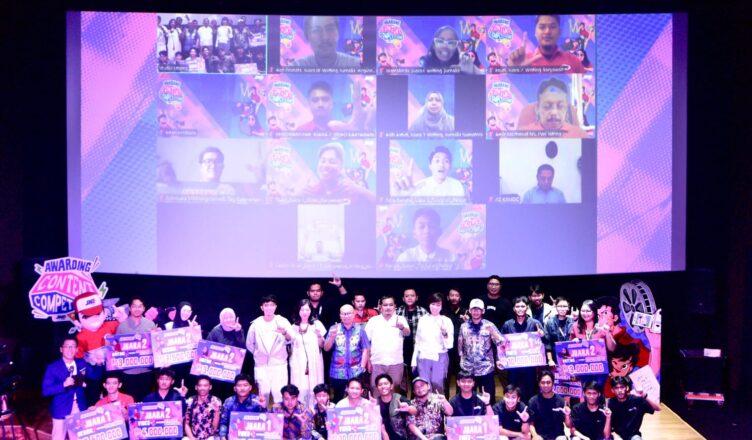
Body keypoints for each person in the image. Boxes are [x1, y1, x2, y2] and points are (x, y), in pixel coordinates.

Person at [42, 337, 93, 440]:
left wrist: (99, 363)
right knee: (58, 437)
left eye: (73, 346)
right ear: (61, 349)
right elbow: (46, 390)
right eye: (67, 346)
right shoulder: (53, 367)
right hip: (60, 408)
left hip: (79, 406)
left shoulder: (81, 363)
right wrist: (63, 384)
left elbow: (95, 376)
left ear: (77, 349)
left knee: (78, 438)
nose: (70, 349)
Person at [457, 298, 505, 405]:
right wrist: (461, 361)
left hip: (486, 368)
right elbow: (460, 345)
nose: (476, 312)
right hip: (468, 369)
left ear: (483, 311)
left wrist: (493, 332)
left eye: (478, 309)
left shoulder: (489, 325)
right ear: (470, 310)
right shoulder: (463, 326)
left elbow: (501, 343)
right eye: (473, 309)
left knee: (488, 399)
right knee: (469, 399)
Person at [246, 295, 292, 404]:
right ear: (262, 307)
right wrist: (259, 354)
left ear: (275, 307)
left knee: (279, 395)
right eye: (266, 305)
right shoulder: (256, 324)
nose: (269, 308)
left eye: (272, 305)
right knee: (262, 396)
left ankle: (281, 415)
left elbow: (291, 339)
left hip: (279, 365)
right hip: (261, 366)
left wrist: (284, 333)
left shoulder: (283, 321)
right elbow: (249, 343)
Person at [500, 296, 545, 401]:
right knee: (513, 390)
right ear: (514, 308)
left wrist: (542, 335)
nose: (520, 309)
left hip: (530, 366)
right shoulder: (507, 324)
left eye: (522, 306)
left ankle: (531, 409)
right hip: (513, 366)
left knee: (531, 391)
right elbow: (501, 344)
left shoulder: (535, 323)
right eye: (517, 306)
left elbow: (544, 342)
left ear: (526, 308)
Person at [302, 142, 377, 204]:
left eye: (332, 162)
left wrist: (360, 190)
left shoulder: (350, 191)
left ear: (341, 167)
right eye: (323, 161)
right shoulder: (311, 191)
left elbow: (379, 202)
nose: (325, 165)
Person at [506, 15, 586, 73]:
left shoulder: (574, 61)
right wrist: (515, 70)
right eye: (542, 27)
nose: (547, 31)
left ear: (559, 32)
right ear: (535, 32)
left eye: (552, 27)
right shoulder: (523, 60)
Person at [364, 295, 411, 394]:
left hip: (396, 362)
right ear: (380, 306)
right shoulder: (373, 321)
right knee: (376, 389)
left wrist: (402, 327)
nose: (388, 307)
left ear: (395, 306)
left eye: (390, 305)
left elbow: (407, 333)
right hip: (376, 362)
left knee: (394, 390)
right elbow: (366, 343)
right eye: (385, 305)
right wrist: (368, 361)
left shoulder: (400, 319)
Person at [324, 304, 371, 401]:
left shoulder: (360, 329)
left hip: (356, 371)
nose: (346, 316)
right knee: (338, 398)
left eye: (348, 313)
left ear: (354, 314)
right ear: (340, 315)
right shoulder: (334, 328)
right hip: (337, 372)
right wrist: (332, 337)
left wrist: (362, 367)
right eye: (343, 314)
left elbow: (365, 349)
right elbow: (326, 348)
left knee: (356, 398)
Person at [518, 78, 589, 138]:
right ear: (537, 109)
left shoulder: (579, 135)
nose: (554, 112)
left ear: (566, 109)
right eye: (547, 106)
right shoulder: (523, 135)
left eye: (560, 106)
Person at [412, 293, 454, 393]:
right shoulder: (422, 320)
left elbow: (450, 345)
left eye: (438, 305)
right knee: (424, 385)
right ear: (429, 304)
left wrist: (444, 333)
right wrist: (414, 362)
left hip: (439, 357)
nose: (435, 307)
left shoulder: (446, 321)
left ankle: (438, 403)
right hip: (423, 357)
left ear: (442, 306)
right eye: (433, 304)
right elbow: (417, 342)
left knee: (437, 385)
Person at [117, 296, 157, 400]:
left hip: (146, 370)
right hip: (129, 371)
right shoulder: (122, 326)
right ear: (130, 308)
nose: (137, 309)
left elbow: (156, 346)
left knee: (146, 401)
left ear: (144, 308)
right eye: (134, 306)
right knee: (131, 401)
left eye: (140, 306)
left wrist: (157, 336)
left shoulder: (150, 324)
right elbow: (117, 348)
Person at [289, 299, 327, 406]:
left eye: (307, 310)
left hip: (314, 360)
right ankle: (300, 408)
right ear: (298, 311)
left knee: (315, 383)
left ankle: (315, 409)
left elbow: (322, 345)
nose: (305, 312)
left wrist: (319, 336)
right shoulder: (293, 327)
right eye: (302, 310)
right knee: (300, 385)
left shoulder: (317, 324)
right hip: (298, 361)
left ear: (311, 311)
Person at [297, 81, 375, 133]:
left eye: (325, 99)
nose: (320, 104)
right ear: (309, 105)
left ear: (332, 104)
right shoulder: (300, 131)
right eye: (315, 100)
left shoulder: (346, 128)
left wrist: (361, 134)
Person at [395, 146, 467, 198]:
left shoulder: (457, 186)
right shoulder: (419, 187)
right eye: (437, 161)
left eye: (446, 161)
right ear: (430, 166)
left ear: (450, 166)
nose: (441, 164)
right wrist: (403, 198)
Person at [291, 16, 360, 68]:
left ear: (338, 32)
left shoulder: (356, 65)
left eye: (330, 29)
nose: (325, 37)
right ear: (307, 36)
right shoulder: (295, 67)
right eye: (317, 30)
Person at [607, 376, 660, 440]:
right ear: (612, 390)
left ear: (626, 388)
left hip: (633, 436)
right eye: (616, 388)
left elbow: (657, 408)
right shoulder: (610, 403)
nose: (620, 390)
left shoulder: (637, 400)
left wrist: (645, 395)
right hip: (616, 436)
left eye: (622, 387)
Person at [219, 374, 267, 440]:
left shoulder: (257, 401)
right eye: (239, 385)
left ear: (250, 387)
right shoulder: (229, 401)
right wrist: (223, 437)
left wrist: (264, 407)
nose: (242, 388)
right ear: (235, 388)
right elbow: (223, 423)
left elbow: (265, 422)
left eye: (245, 385)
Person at [527, 370, 571, 440]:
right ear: (539, 384)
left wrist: (567, 415)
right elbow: (531, 424)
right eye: (543, 383)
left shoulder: (561, 401)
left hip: (558, 436)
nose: (546, 385)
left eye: (548, 382)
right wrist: (535, 436)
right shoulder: (533, 401)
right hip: (540, 436)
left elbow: (568, 425)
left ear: (553, 383)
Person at [375, 373, 416, 440]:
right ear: (377, 388)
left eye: (386, 384)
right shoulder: (376, 403)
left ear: (391, 386)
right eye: (380, 384)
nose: (383, 386)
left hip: (401, 437)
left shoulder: (399, 398)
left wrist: (408, 408)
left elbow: (414, 411)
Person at [184, 375, 222, 440]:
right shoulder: (190, 400)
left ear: (210, 387)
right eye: (200, 385)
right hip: (193, 437)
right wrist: (192, 438)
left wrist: (217, 412)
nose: (202, 388)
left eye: (205, 385)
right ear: (196, 387)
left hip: (210, 437)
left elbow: (215, 428)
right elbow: (186, 423)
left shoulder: (215, 401)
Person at [443, 288, 467, 394]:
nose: (454, 298)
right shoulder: (443, 312)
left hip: (461, 350)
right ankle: (445, 400)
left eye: (456, 295)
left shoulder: (466, 312)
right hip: (446, 350)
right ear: (448, 297)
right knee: (445, 377)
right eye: (451, 295)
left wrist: (468, 321)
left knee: (460, 376)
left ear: (460, 298)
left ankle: (459, 399)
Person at [543, 297, 575, 367]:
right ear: (556, 307)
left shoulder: (573, 322)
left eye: (565, 306)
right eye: (560, 306)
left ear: (568, 308)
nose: (562, 309)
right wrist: (550, 360)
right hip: (555, 358)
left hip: (571, 358)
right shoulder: (550, 322)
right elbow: (548, 343)